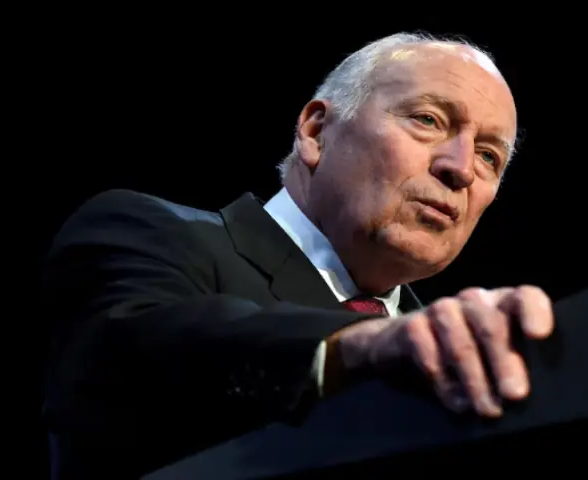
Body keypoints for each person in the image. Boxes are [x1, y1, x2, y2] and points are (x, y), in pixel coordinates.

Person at [40, 32, 555, 479]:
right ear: (314, 132)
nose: (461, 168)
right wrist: (357, 349)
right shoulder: (148, 233)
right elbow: (138, 355)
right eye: (427, 119)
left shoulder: (457, 361)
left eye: (489, 156)